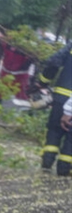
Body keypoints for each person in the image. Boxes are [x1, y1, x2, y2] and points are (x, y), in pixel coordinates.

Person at [31, 41, 72, 176]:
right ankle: (64, 169)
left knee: (54, 129)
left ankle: (47, 163)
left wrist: (43, 82)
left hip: (61, 98)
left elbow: (54, 62)